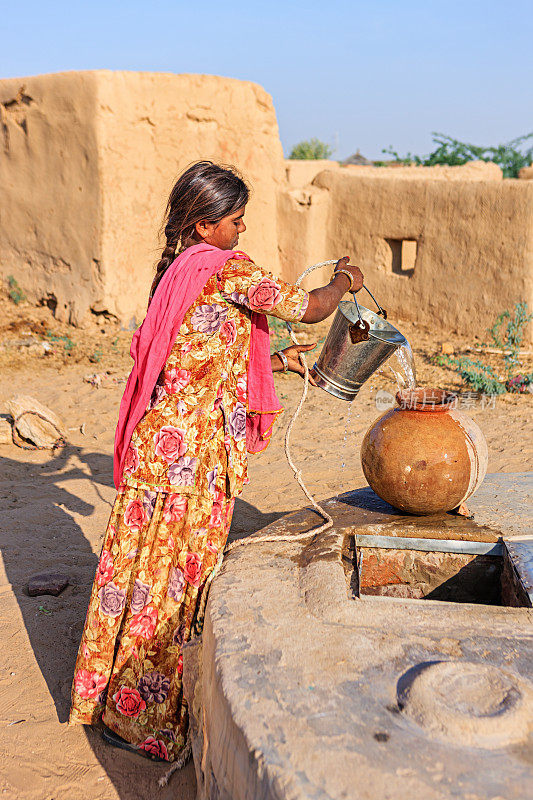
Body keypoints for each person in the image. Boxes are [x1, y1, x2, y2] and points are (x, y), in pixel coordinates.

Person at [68, 161, 363, 763]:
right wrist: (342, 285)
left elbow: (204, 356)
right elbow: (305, 307)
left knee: (139, 570)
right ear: (203, 224)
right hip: (194, 457)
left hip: (162, 447)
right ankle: (143, 721)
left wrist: (276, 364)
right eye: (233, 219)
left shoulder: (180, 271)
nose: (242, 227)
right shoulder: (227, 268)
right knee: (174, 579)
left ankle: (105, 700)